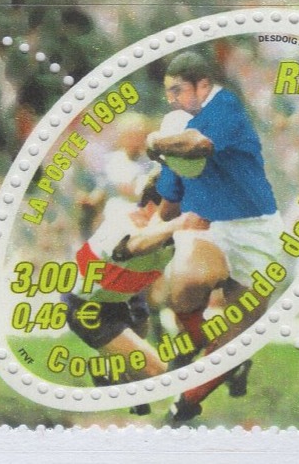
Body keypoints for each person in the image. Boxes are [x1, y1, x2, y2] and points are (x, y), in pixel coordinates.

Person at [147, 51, 284, 421]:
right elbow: (169, 204)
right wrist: (142, 240)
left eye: (178, 90)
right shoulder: (175, 130)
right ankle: (191, 346)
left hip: (256, 230)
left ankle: (186, 404)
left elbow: (199, 145)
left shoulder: (225, 107)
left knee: (236, 339)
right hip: (209, 225)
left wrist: (156, 142)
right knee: (186, 284)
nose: (172, 99)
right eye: (168, 92)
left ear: (203, 85)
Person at [63, 172, 209, 415]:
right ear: (155, 204)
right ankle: (107, 371)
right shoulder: (126, 221)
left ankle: (109, 372)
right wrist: (178, 224)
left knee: (140, 375)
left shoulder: (168, 234)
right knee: (157, 374)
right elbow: (133, 246)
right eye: (182, 205)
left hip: (124, 300)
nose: (188, 212)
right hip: (86, 308)